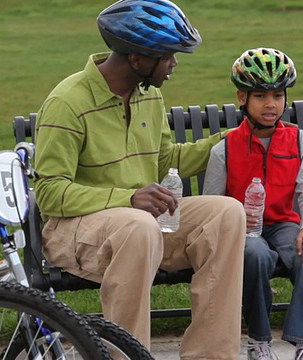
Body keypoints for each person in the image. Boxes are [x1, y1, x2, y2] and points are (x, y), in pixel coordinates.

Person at [32, 0, 246, 359]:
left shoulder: (150, 95)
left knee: (226, 214)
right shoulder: (68, 102)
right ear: (137, 58)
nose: (174, 64)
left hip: (142, 226)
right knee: (137, 226)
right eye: (168, 56)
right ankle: (127, 355)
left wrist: (227, 142)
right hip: (74, 232)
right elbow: (49, 192)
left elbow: (165, 160)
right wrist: (129, 198)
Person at [203, 48, 303, 360]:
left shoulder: (298, 140)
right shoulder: (224, 149)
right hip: (243, 230)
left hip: (284, 224)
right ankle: (259, 341)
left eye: (277, 95)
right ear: (242, 98)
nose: (270, 104)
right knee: (255, 255)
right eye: (260, 96)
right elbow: (212, 206)